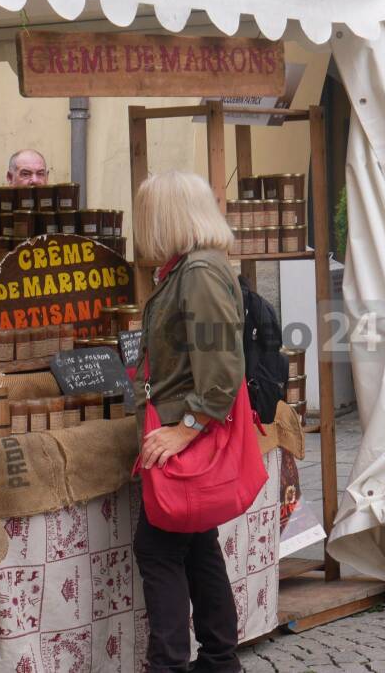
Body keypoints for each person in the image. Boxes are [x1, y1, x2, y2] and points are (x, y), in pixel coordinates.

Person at [131, 171, 243, 673]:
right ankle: (219, 660)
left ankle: (171, 666)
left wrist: (185, 428)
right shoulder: (189, 268)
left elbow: (220, 367)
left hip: (185, 433)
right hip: (185, 429)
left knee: (158, 548)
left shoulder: (197, 271)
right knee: (198, 543)